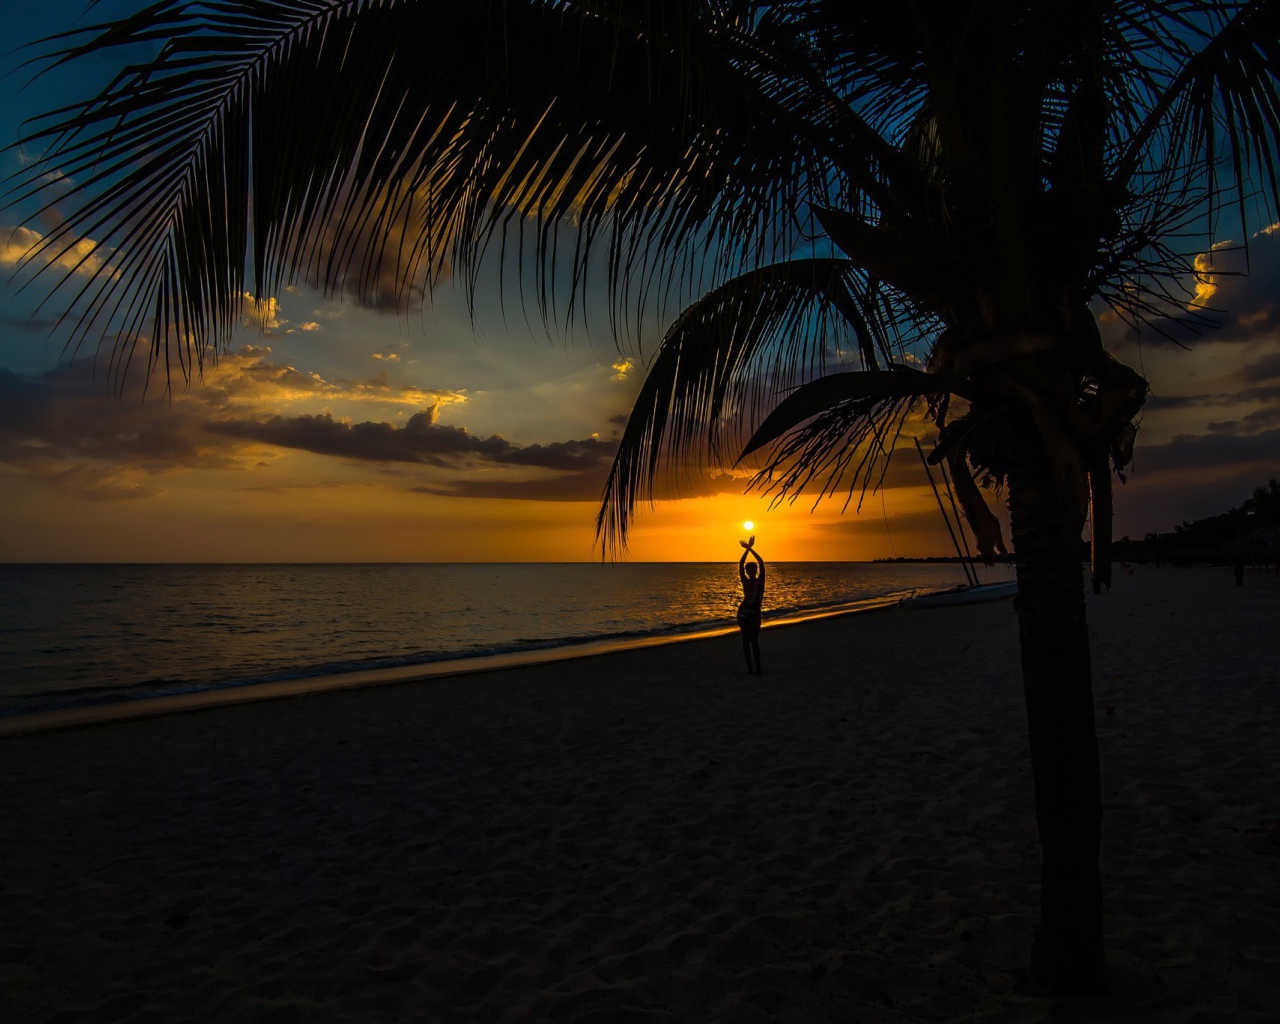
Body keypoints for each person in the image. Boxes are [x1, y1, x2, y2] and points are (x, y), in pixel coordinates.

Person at [737, 536, 765, 675]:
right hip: (743, 614)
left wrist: (750, 548)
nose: (752, 572)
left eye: (754, 570)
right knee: (745, 641)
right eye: (750, 570)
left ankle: (758, 668)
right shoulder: (745, 581)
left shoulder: (760, 581)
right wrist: (746, 551)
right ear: (748, 572)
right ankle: (749, 668)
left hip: (755, 614)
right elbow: (741, 564)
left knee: (754, 641)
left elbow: (761, 562)